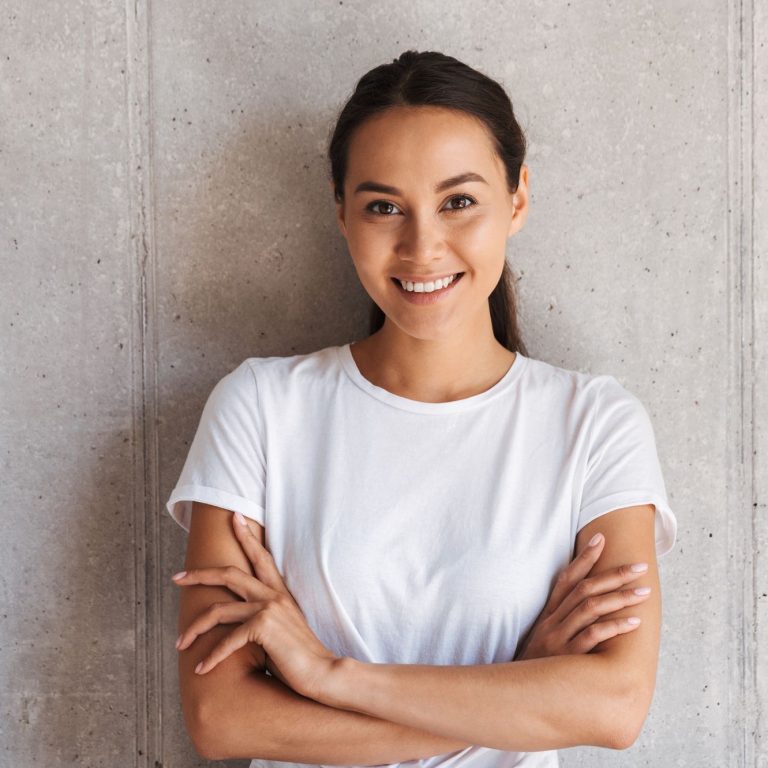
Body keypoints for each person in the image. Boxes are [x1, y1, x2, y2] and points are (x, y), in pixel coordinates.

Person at [165, 50, 677, 767]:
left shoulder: (594, 425)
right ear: (342, 213)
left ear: (518, 199)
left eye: (459, 201)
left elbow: (613, 705)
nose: (422, 245)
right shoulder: (261, 408)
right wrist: (516, 694)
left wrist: (326, 675)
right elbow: (222, 717)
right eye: (383, 207)